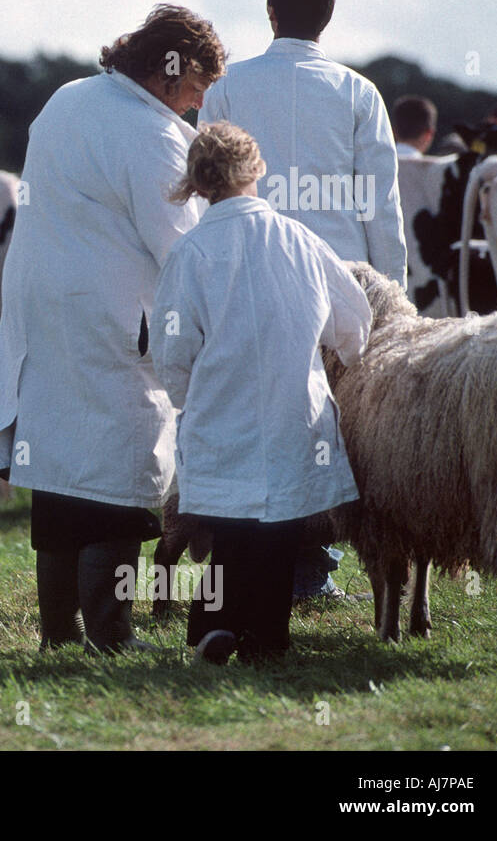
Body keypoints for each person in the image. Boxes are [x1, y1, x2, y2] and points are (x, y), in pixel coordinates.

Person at [0, 5, 227, 654]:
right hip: (110, 316)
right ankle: (111, 636)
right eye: (198, 87)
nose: (199, 105)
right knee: (121, 476)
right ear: (171, 72)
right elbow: (182, 247)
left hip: (41, 309)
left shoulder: (66, 99)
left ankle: (59, 633)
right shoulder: (154, 134)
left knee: (60, 474)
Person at [198, 0, 406, 600]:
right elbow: (383, 209)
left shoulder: (226, 89)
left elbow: (207, 190)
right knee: (337, 432)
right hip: (342, 288)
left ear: (269, 8)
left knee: (258, 425)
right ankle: (311, 570)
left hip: (250, 279)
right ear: (330, 14)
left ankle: (261, 566)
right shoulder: (358, 93)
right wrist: (393, 311)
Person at [151, 122, 371, 663]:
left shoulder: (191, 253)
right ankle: (267, 638)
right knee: (277, 536)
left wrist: (191, 399)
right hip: (294, 417)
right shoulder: (303, 241)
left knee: (228, 535)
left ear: (199, 185)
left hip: (221, 419)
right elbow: (354, 329)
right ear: (258, 170)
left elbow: (172, 351)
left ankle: (214, 630)